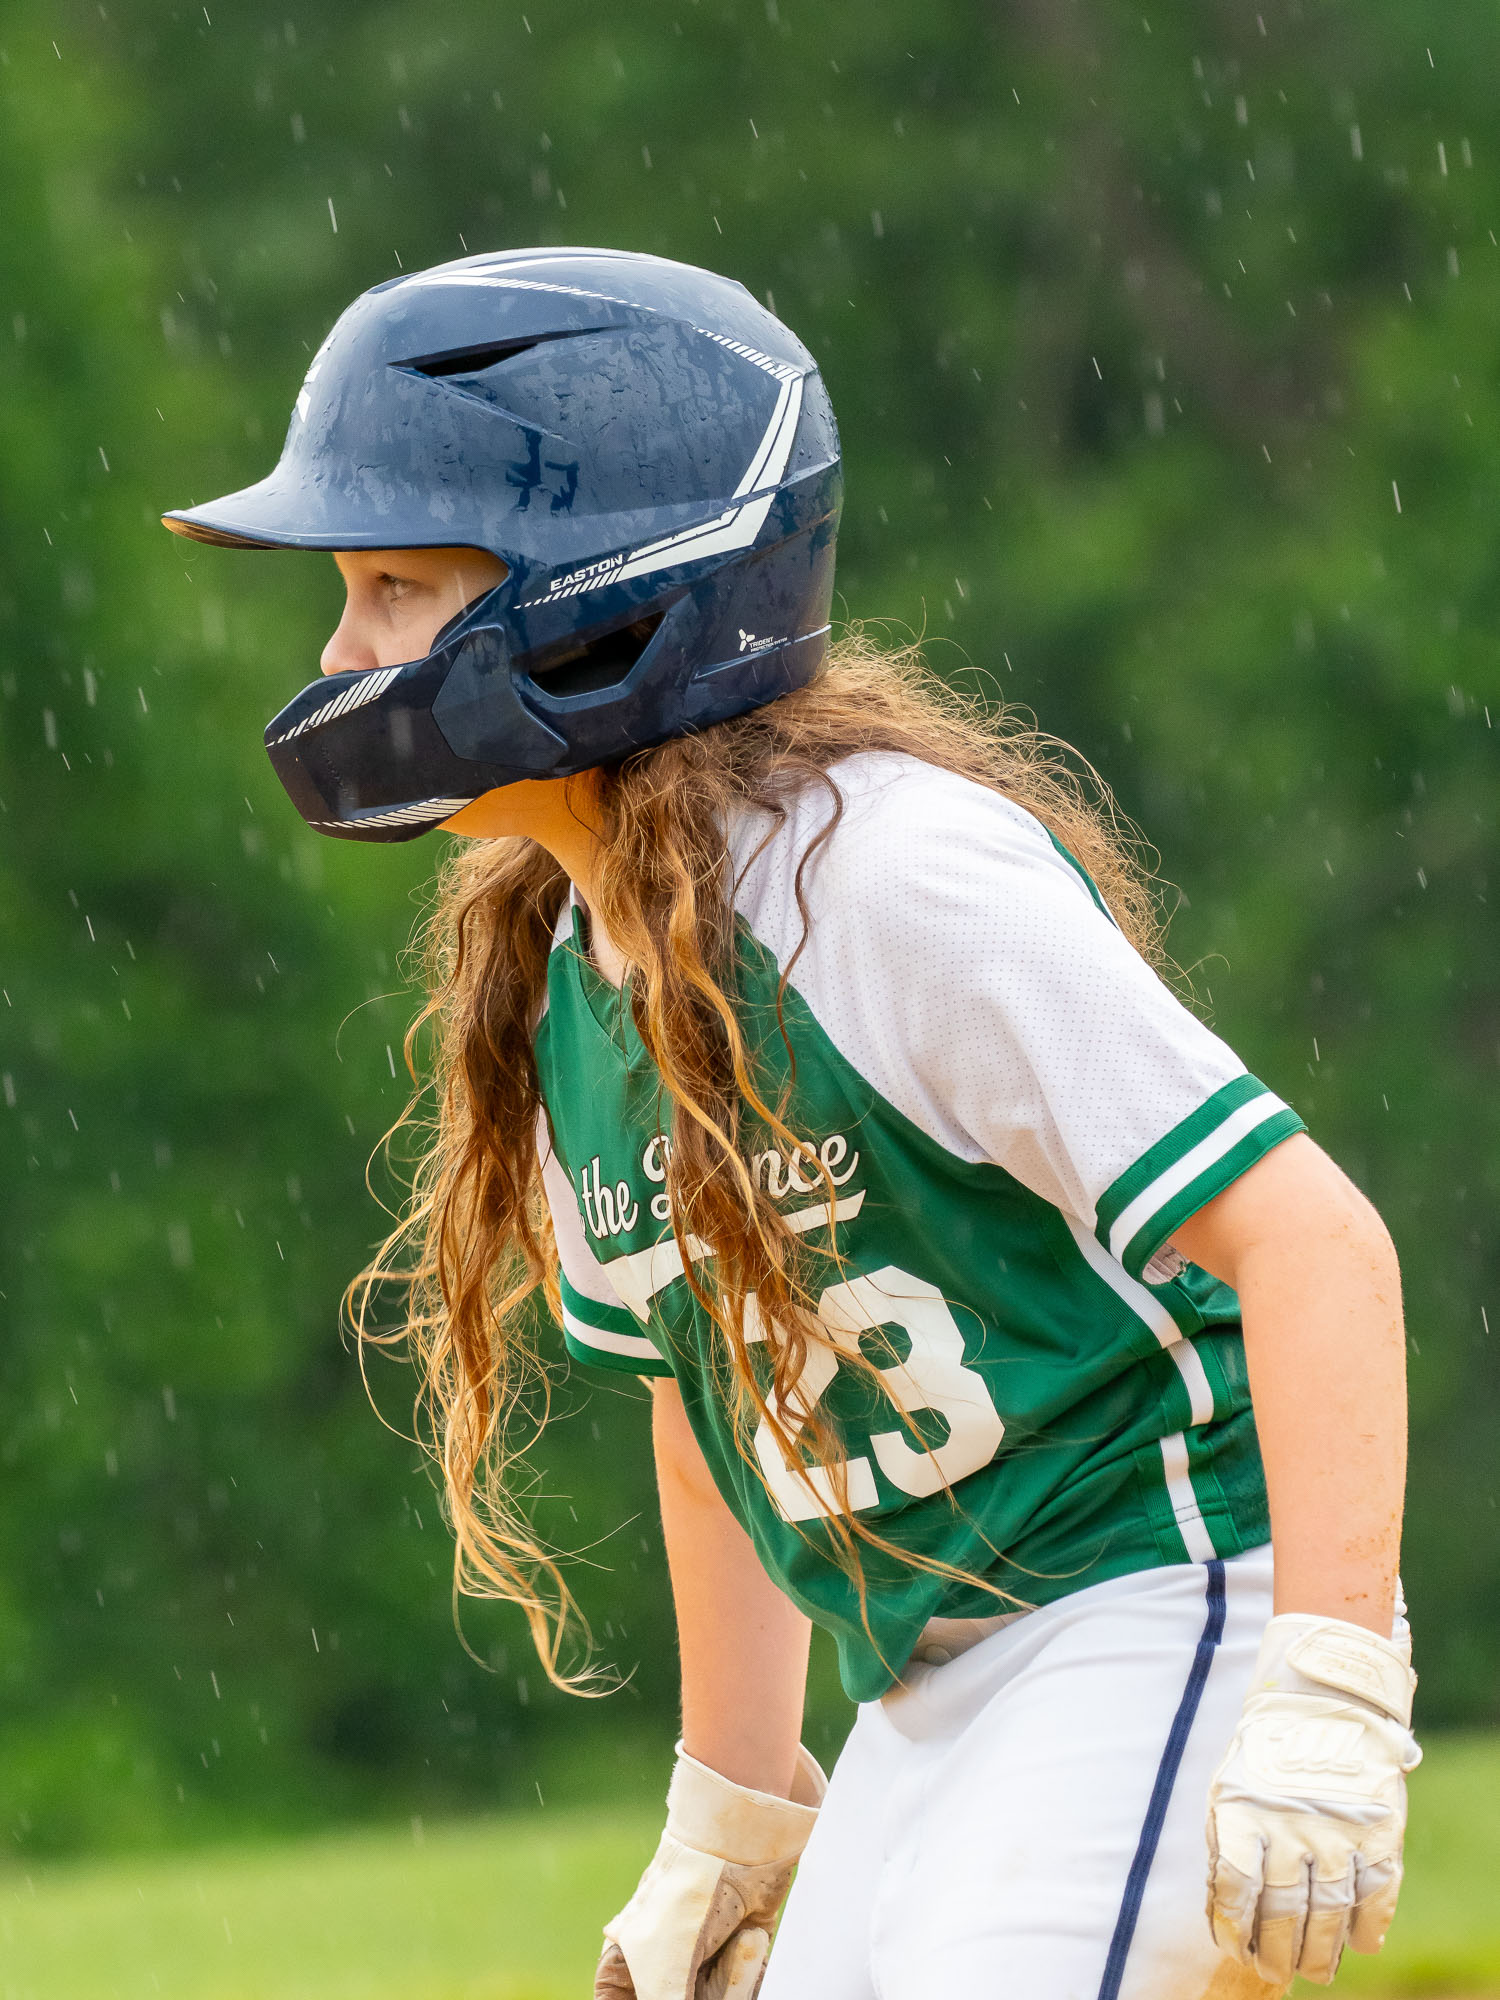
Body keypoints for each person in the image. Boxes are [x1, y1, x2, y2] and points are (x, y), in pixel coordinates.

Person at [163, 247, 1419, 2000]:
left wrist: (1335, 1682)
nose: (338, 652)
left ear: (603, 603)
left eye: (389, 585)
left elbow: (1309, 1237)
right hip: (932, 1685)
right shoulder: (571, 950)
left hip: (1165, 1598)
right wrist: (735, 1806)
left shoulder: (889, 875)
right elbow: (717, 1398)